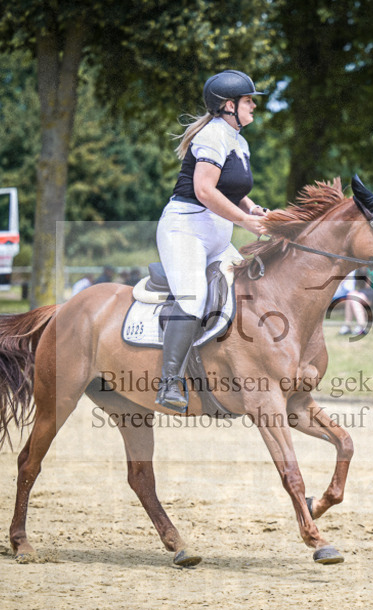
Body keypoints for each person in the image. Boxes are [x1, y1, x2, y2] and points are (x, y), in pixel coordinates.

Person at [154, 69, 268, 412]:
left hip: (217, 237)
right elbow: (204, 190)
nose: (253, 107)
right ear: (228, 105)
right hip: (185, 232)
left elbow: (231, 188)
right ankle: (169, 382)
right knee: (193, 298)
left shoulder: (238, 140)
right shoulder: (213, 135)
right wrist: (246, 220)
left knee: (255, 285)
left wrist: (254, 208)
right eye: (248, 100)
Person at [339, 268, 373, 335]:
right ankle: (347, 325)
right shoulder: (369, 267)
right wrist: (365, 293)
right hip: (372, 290)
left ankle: (362, 327)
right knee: (350, 295)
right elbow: (368, 283)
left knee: (355, 298)